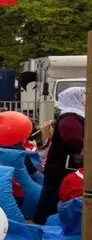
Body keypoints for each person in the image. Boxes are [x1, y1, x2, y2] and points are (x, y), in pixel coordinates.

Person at [36, 86, 84, 223]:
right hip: (62, 166)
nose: (86, 98)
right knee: (55, 195)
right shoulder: (70, 117)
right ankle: (50, 223)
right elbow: (73, 140)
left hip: (64, 165)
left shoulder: (77, 115)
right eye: (83, 95)